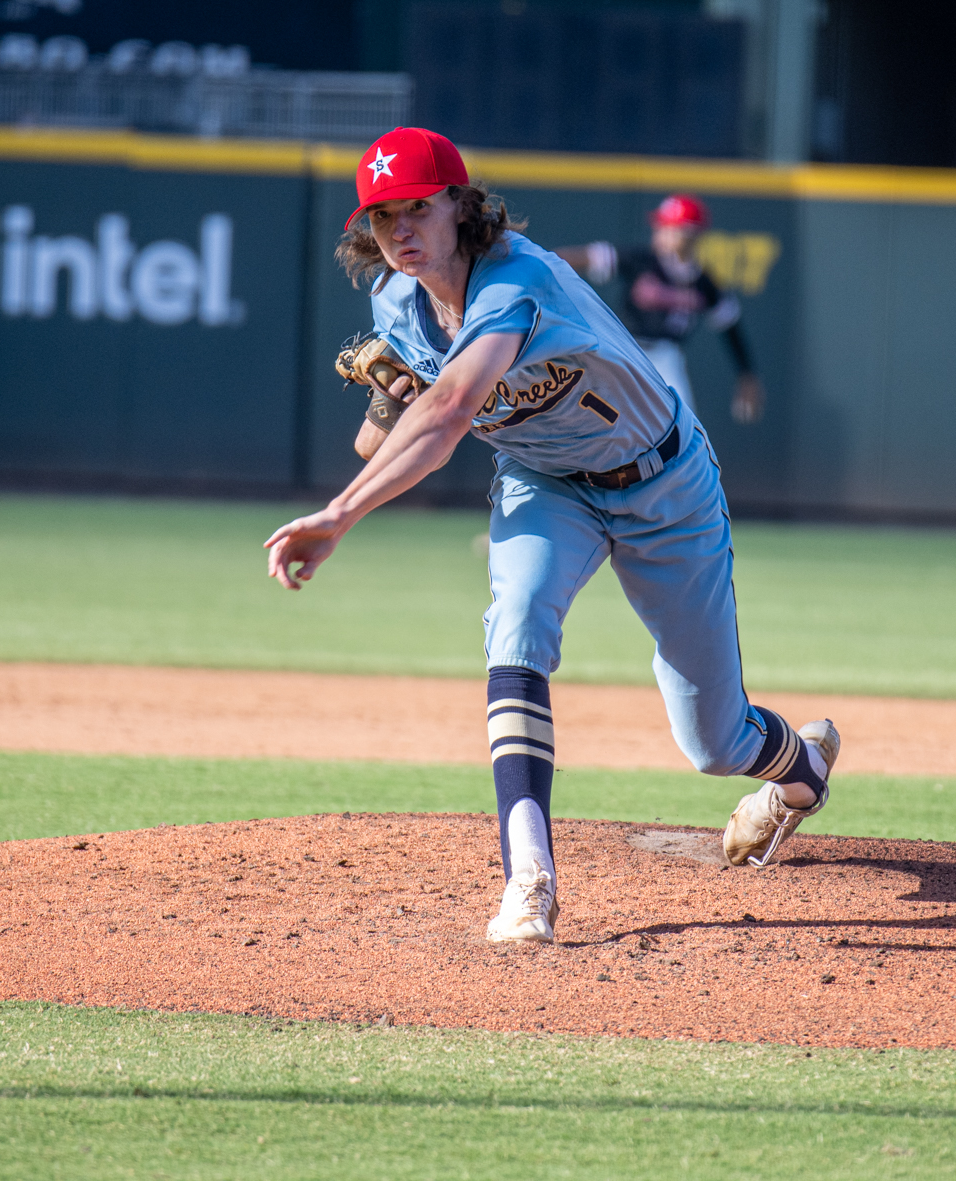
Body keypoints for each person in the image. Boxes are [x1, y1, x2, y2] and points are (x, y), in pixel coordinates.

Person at [264, 128, 839, 945]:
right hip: (544, 483)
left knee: (714, 741)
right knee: (518, 625)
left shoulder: (517, 280)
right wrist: (391, 394)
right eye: (382, 214)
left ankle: (801, 770)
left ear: (461, 207)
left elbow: (453, 410)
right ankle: (528, 879)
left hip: (664, 484)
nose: (400, 229)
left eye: (418, 207)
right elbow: (381, 435)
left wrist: (338, 514)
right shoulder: (395, 299)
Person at [555, 194, 764, 425]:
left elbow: (731, 328)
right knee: (601, 422)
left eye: (667, 227)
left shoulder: (705, 283)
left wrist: (747, 375)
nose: (659, 231)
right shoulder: (641, 261)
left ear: (689, 234)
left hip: (667, 358)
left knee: (685, 427)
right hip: (626, 351)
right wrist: (544, 262)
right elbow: (587, 257)